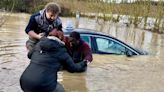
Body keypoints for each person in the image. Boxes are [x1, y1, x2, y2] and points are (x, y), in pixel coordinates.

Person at [20, 30, 87, 92]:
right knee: (60, 90)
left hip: (24, 81)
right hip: (42, 84)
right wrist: (83, 63)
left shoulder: (39, 44)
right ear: (61, 39)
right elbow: (73, 68)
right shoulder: (62, 51)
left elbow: (29, 55)